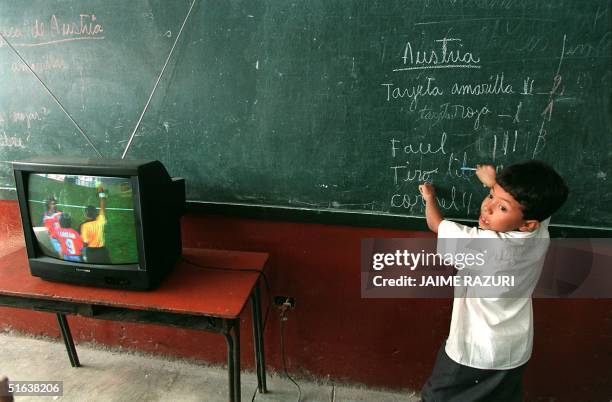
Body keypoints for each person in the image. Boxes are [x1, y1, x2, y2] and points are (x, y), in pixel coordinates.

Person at [418, 160, 568, 402]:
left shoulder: (487, 247)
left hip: (473, 351)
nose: (487, 208)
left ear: (527, 223)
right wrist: (496, 185)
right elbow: (538, 208)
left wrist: (429, 198)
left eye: (502, 208)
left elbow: (436, 225)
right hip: (514, 350)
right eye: (490, 196)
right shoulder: (537, 231)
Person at [79, 185, 109, 264]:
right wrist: (101, 193)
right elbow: (102, 205)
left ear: (85, 214)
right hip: (103, 250)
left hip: (91, 252)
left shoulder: (84, 226)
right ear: (96, 213)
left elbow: (85, 242)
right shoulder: (100, 219)